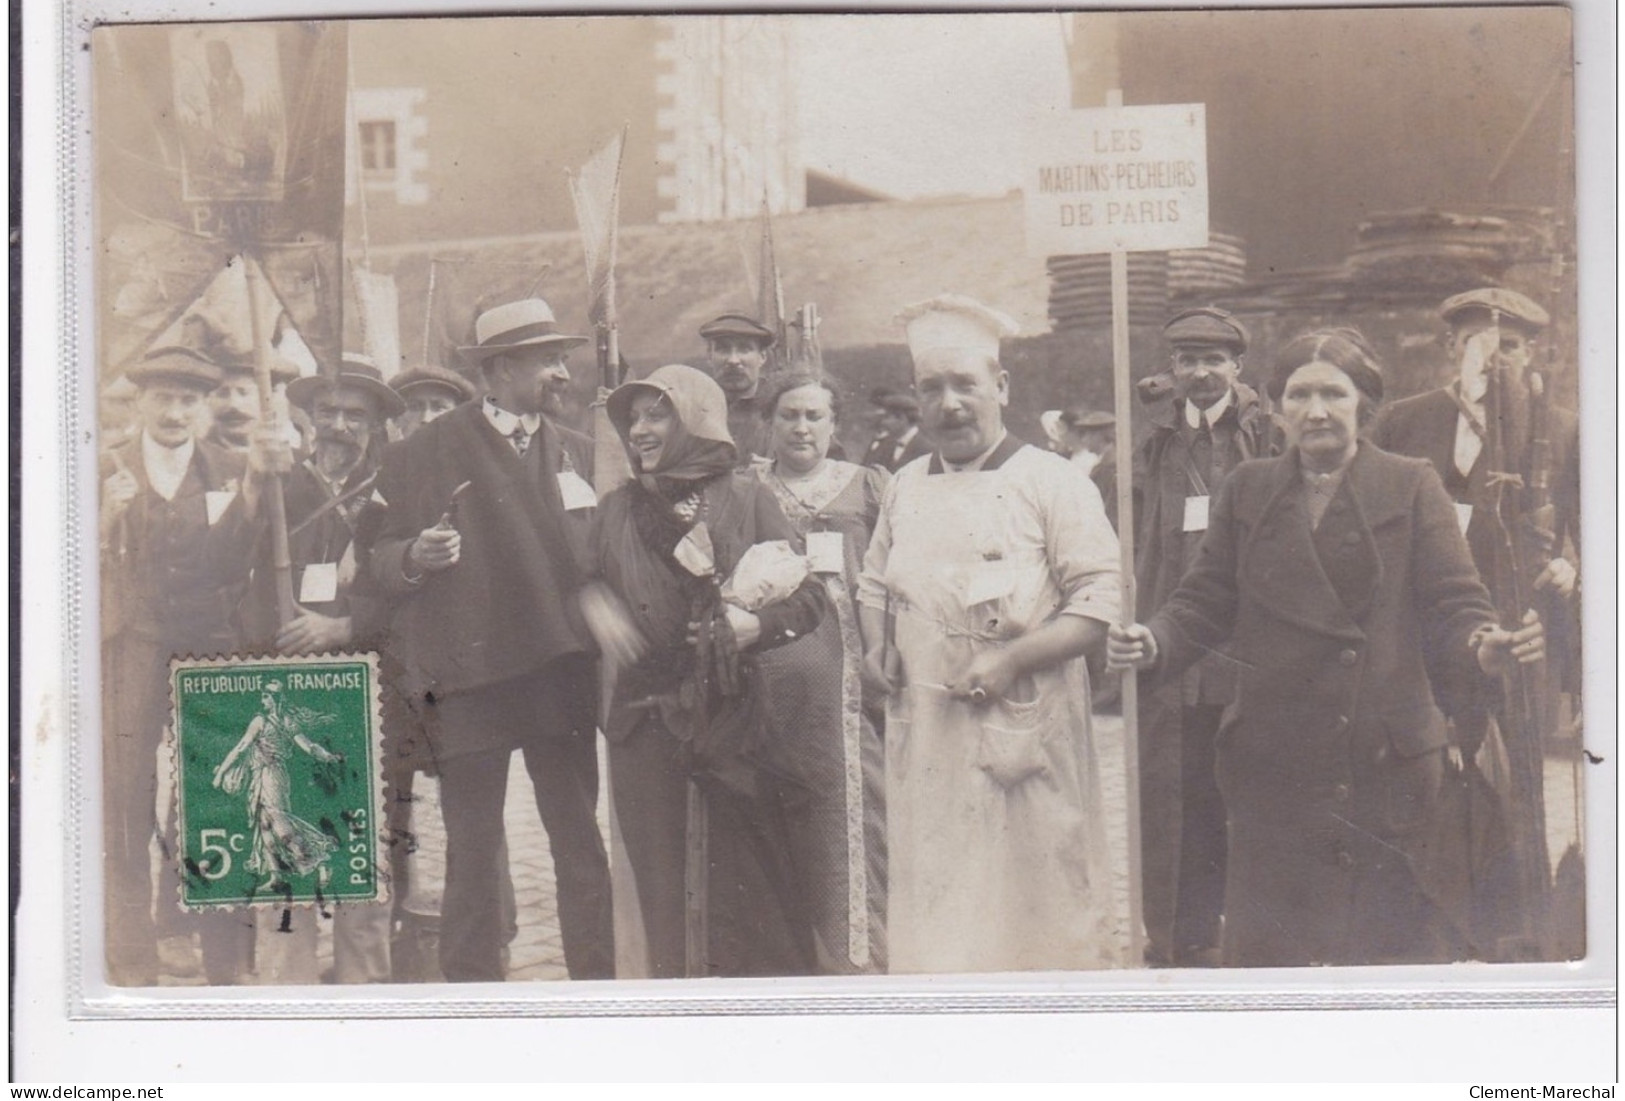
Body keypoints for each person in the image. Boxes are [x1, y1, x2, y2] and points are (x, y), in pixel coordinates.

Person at [1109, 327, 1546, 968]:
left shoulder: (1412, 483)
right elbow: (1201, 603)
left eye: (1333, 394)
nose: (1315, 410)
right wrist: (1155, 640)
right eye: (1298, 394)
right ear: (1278, 406)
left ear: (1363, 403)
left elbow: (1455, 604)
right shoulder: (1247, 489)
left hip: (1385, 765)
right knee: (1276, 969)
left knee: (1387, 961)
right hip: (1273, 765)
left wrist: (1484, 646)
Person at [857, 295, 1122, 974]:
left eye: (964, 384)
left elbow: (1099, 596)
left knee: (1034, 894)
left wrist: (1011, 658)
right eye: (931, 388)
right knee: (941, 890)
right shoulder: (905, 486)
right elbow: (874, 582)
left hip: (1024, 724)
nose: (948, 404)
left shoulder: (1051, 481)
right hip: (928, 727)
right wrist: (876, 643)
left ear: (999, 387)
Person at [369, 297, 613, 982]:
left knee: (579, 843)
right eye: (547, 360)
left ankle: (599, 990)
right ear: (500, 369)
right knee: (472, 850)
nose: (562, 373)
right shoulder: (424, 450)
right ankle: (471, 1000)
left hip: (559, 674)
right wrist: (415, 554)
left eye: (562, 358)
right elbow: (378, 558)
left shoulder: (580, 451)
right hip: (469, 678)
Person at [583, 363, 827, 978]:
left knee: (742, 894)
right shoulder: (614, 511)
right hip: (646, 731)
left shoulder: (746, 497)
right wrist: (594, 607)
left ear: (695, 417)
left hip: (733, 722)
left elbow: (809, 597)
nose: (639, 429)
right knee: (664, 896)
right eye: (632, 417)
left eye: (656, 413)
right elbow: (582, 584)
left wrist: (755, 627)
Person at [1370, 287, 1581, 956]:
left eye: (1510, 347)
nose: (1494, 360)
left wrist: (1573, 569)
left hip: (1520, 631)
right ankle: (1425, 922)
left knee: (1513, 772)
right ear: (1450, 350)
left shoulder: (1561, 428)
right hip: (1425, 630)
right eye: (1478, 344)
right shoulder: (1403, 422)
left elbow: (1596, 530)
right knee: (1426, 765)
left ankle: (1514, 924)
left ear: (1531, 354)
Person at [99, 346, 268, 984]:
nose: (175, 412)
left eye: (188, 400)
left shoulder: (232, 468)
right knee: (124, 797)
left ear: (203, 408)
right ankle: (131, 952)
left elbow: (237, 565)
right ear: (139, 403)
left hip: (208, 644)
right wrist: (101, 517)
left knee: (216, 794)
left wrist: (255, 488)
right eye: (163, 398)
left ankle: (211, 948)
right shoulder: (102, 466)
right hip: (133, 644)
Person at [235, 352, 402, 983]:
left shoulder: (395, 489)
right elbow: (228, 569)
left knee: (361, 868)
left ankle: (365, 1008)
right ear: (307, 418)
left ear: (376, 424)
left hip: (364, 697)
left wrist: (346, 624)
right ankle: (288, 1006)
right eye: (327, 411)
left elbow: (412, 591)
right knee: (283, 868)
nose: (338, 425)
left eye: (354, 415)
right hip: (281, 693)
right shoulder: (279, 484)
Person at [1132, 305, 1277, 968]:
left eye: (1212, 359)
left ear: (1236, 366)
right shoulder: (1157, 439)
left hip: (1246, 639)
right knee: (1183, 786)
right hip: (1176, 637)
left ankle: (1252, 926)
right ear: (1172, 368)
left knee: (1246, 785)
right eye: (1186, 360)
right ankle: (1187, 932)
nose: (1199, 372)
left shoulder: (1262, 431)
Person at [752, 372, 889, 974]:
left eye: (814, 416)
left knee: (849, 810)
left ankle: (856, 956)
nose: (801, 428)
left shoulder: (868, 487)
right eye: (789, 416)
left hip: (852, 675)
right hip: (770, 672)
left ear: (835, 425)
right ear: (770, 423)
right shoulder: (747, 489)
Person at [212, 680, 343, 889]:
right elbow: (309, 746)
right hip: (267, 775)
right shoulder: (287, 720)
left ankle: (319, 863)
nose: (262, 699)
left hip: (270, 776)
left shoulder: (261, 721)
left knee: (281, 825)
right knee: (264, 825)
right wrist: (327, 756)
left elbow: (240, 748)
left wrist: (221, 774)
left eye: (266, 696)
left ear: (274, 699)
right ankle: (276, 876)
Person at [698, 312, 776, 467]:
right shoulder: (694, 407)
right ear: (709, 356)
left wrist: (781, 470)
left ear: (762, 357)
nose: (733, 360)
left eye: (744, 349)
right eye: (723, 349)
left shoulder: (781, 405)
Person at [390, 363, 478, 440]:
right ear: (396, 419)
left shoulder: (474, 458)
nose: (426, 419)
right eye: (414, 407)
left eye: (439, 407)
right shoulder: (385, 458)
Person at [860, 389, 929, 474]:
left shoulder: (927, 449)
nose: (884, 422)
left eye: (887, 417)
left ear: (902, 418)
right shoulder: (887, 445)